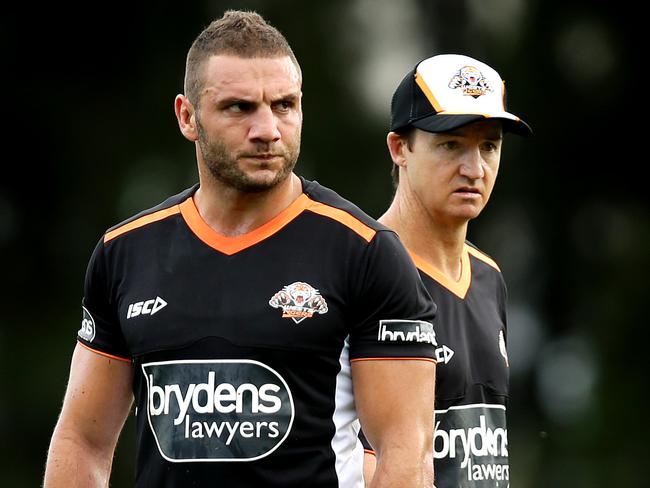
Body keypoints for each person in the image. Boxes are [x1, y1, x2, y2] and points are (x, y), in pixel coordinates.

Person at [43, 10, 439, 488]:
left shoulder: (366, 252)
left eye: (284, 105)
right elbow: (82, 442)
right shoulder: (125, 253)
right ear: (187, 117)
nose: (268, 129)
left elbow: (406, 458)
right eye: (239, 107)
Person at [361, 54, 532, 487]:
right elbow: (346, 454)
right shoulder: (360, 269)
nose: (474, 169)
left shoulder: (489, 276)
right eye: (451, 144)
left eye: (489, 146)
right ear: (399, 148)